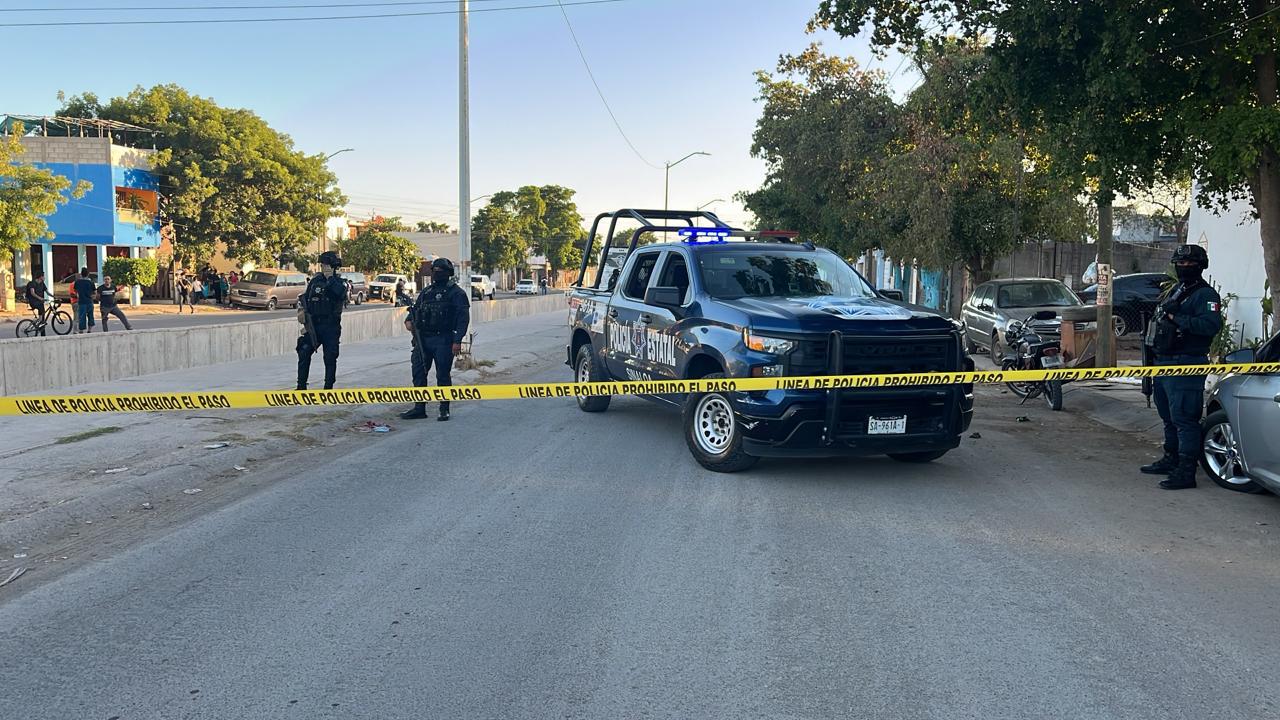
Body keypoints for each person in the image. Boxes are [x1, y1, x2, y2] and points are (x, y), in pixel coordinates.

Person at [1140, 244, 1223, 490]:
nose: (1184, 267)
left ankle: (1187, 470)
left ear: (1200, 266)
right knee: (1168, 416)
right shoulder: (1177, 290)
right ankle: (1172, 458)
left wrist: (1178, 318)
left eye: (1189, 264)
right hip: (1164, 363)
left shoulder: (1205, 295)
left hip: (1186, 363)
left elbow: (1209, 326)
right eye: (1180, 263)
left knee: (1185, 418)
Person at [401, 257, 470, 421]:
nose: (437, 274)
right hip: (423, 339)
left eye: (441, 271)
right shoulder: (427, 292)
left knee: (443, 375)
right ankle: (419, 408)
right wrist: (409, 319)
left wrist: (457, 340)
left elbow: (462, 319)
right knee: (418, 373)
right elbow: (417, 309)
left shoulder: (456, 293)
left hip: (444, 339)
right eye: (435, 271)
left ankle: (444, 409)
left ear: (448, 273)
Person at [295, 251, 349, 390]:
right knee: (304, 350)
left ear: (333, 266)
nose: (323, 267)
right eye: (322, 265)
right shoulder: (315, 281)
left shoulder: (339, 282)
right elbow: (306, 298)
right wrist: (302, 312)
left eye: (326, 265)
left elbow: (340, 294)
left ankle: (328, 387)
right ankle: (301, 386)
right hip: (314, 324)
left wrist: (330, 278)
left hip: (330, 325)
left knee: (330, 357)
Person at [72, 267, 97, 334]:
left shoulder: (77, 282)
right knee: (90, 315)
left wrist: (79, 294)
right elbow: (95, 292)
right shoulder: (91, 282)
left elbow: (75, 290)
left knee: (82, 316)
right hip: (89, 301)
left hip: (81, 301)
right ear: (88, 274)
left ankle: (81, 330)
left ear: (81, 274)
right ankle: (89, 329)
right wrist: (93, 296)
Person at [24, 272, 50, 336]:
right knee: (41, 310)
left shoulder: (42, 284)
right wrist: (40, 298)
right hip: (33, 302)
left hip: (40, 302)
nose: (44, 277)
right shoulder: (32, 283)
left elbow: (47, 292)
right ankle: (39, 322)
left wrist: (54, 297)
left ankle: (42, 334)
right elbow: (32, 293)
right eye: (43, 276)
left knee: (43, 316)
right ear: (40, 277)